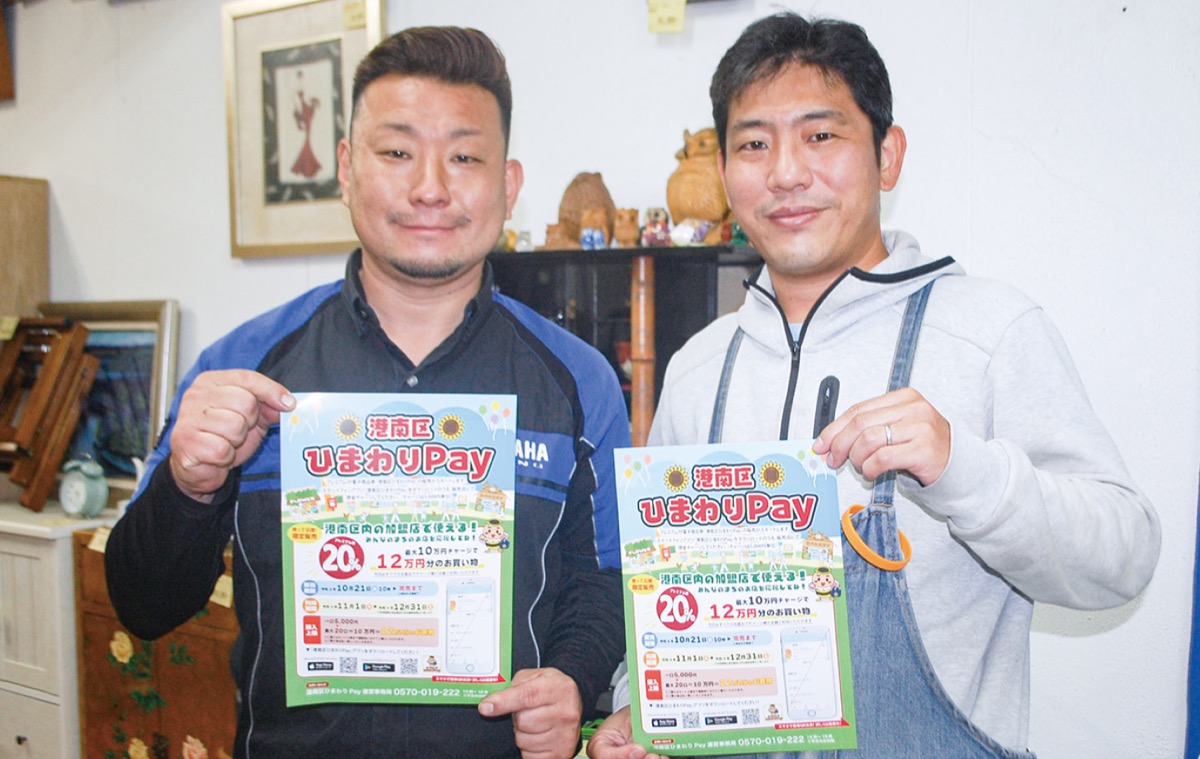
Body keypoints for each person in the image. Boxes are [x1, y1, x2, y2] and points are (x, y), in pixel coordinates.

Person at [587, 12, 1160, 759]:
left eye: (821, 135)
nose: (786, 173)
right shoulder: (699, 366)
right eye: (754, 144)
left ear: (887, 157)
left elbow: (1125, 555)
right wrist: (635, 707)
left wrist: (964, 469)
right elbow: (656, 600)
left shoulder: (989, 330)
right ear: (724, 174)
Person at [105, 26, 629, 759]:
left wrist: (571, 677)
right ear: (347, 169)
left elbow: (604, 576)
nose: (430, 188)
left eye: (464, 157)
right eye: (397, 152)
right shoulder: (245, 368)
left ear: (508, 186)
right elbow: (145, 605)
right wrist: (189, 488)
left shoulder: (578, 381)